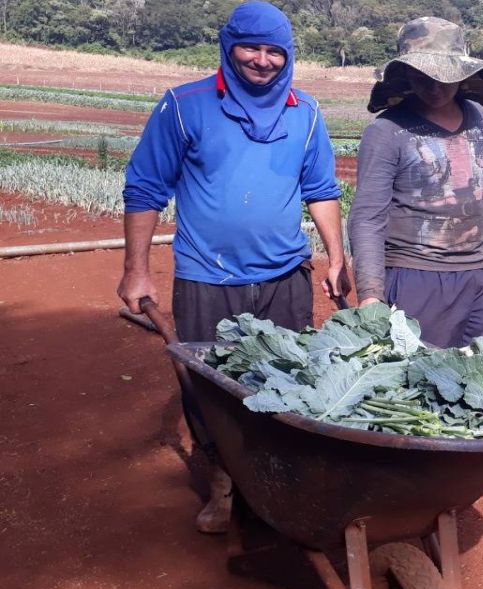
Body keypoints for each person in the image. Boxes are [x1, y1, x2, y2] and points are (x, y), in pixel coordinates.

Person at [117, 2, 349, 532]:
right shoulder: (185, 105)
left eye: (275, 51)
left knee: (291, 381)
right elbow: (146, 187)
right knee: (211, 391)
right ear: (228, 46)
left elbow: (321, 189)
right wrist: (137, 269)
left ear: (289, 55)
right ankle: (224, 483)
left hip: (286, 277)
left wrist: (336, 257)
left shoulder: (305, 112)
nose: (262, 61)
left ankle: (280, 480)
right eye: (250, 47)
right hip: (207, 277)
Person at [348, 16, 483, 486]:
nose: (433, 87)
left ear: (462, 73)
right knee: (418, 376)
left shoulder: (478, 119)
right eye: (422, 76)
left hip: (479, 270)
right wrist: (369, 291)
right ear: (404, 75)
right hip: (415, 272)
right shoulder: (386, 132)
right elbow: (366, 216)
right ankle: (425, 469)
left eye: (443, 76)